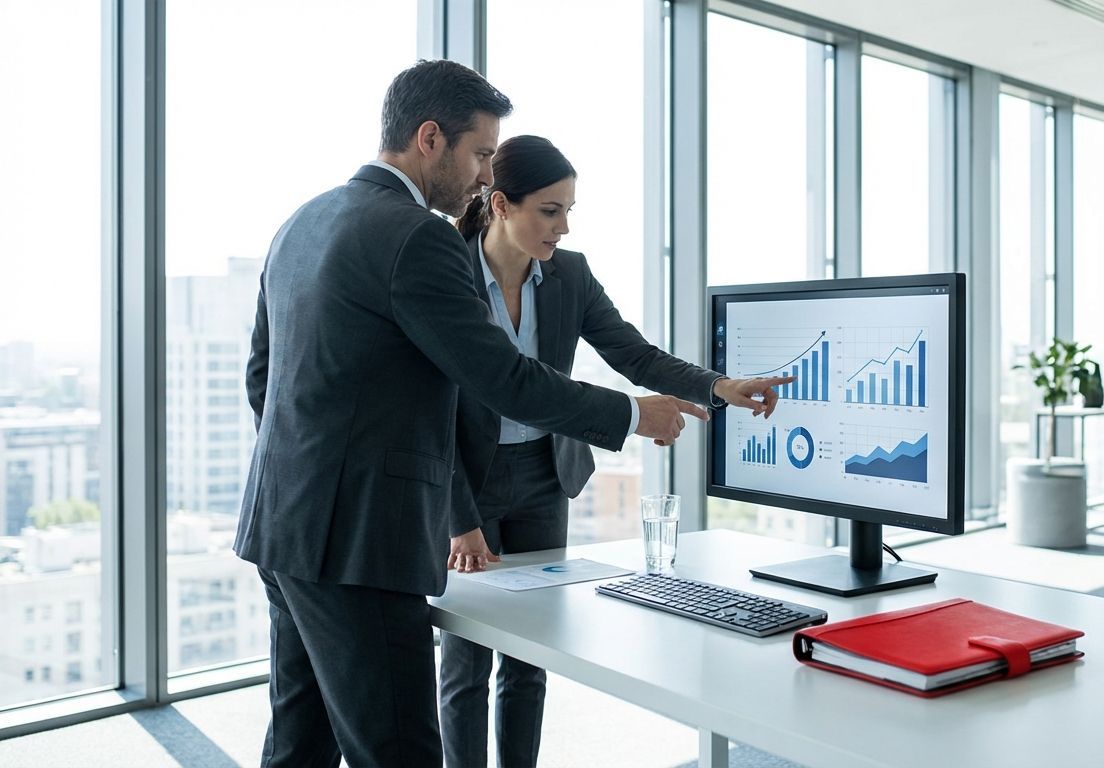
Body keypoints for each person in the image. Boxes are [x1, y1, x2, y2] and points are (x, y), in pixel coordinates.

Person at [236, 59, 785, 768]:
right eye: (479, 154)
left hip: (284, 522)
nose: (483, 175)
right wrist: (632, 416)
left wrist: (312, 472)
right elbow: (501, 379)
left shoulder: (302, 221)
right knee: (399, 749)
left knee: (297, 745)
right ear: (430, 139)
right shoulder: (418, 236)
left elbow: (263, 377)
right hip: (362, 541)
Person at [437, 135, 792, 768]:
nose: (564, 227)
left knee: (529, 658)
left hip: (546, 474)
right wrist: (457, 517)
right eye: (550, 211)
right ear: (501, 205)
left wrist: (720, 386)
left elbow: (635, 354)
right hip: (470, 476)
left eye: (569, 211)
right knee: (467, 664)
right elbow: (431, 407)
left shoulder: (569, 274)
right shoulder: (448, 272)